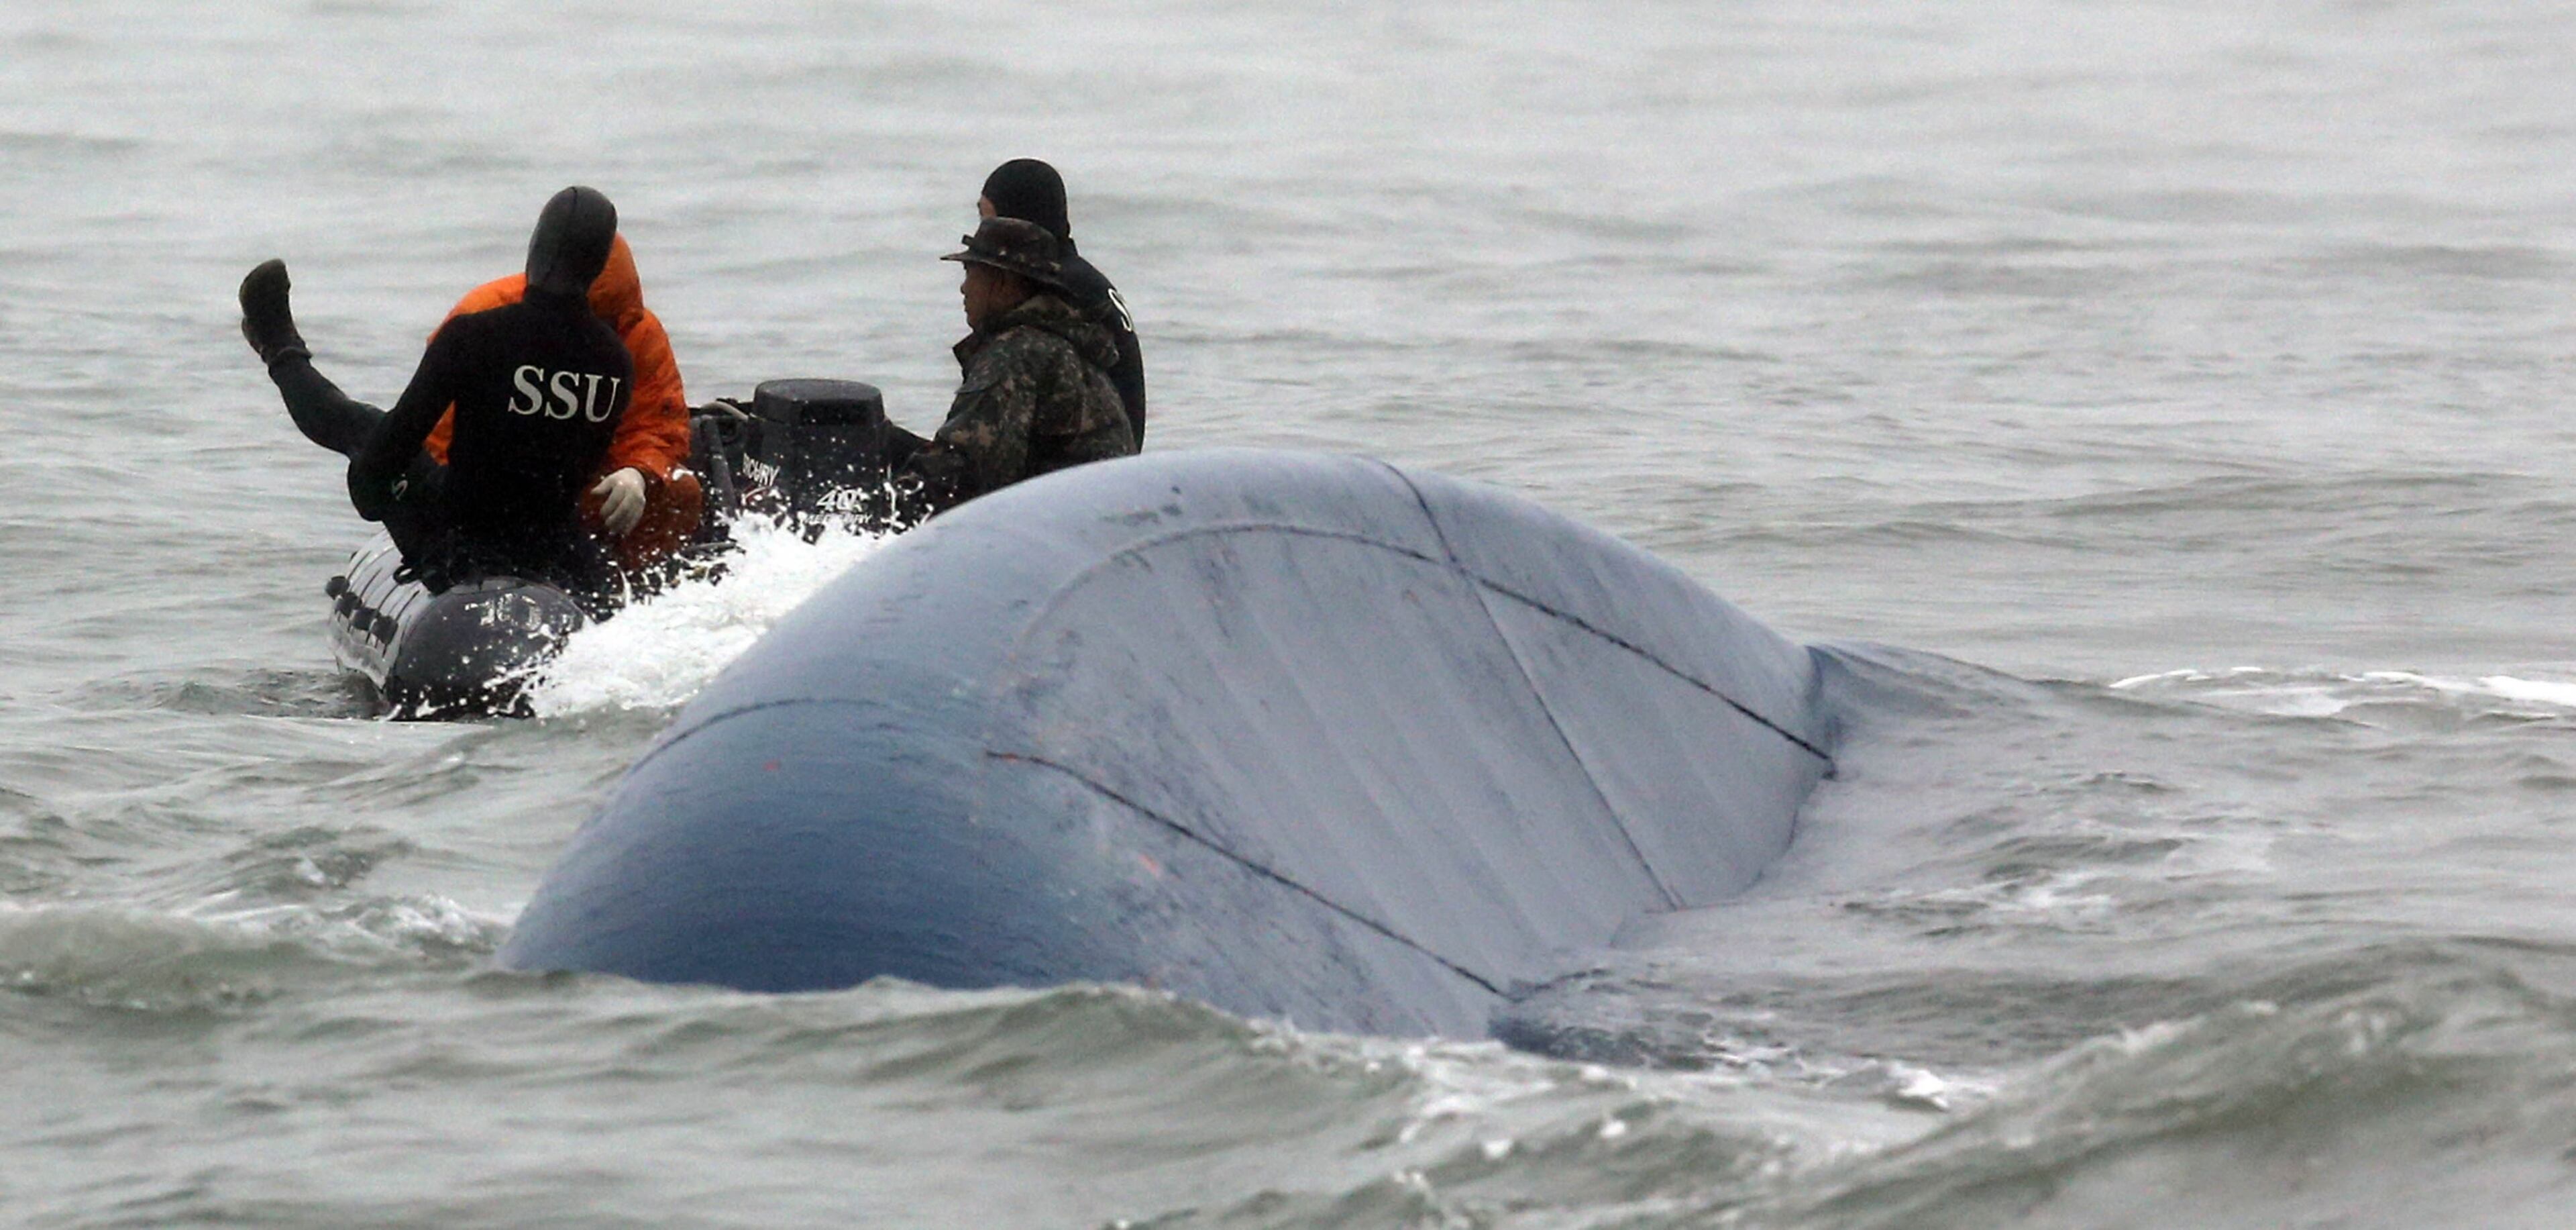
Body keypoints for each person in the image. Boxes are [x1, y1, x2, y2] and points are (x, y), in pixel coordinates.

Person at [239, 187, 637, 592]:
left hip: (462, 547)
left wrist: (372, 494)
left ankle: (278, 346)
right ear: (598, 264)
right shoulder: (617, 363)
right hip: (561, 557)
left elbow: (390, 451)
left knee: (363, 427)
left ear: (536, 249)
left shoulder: (475, 335)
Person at [416, 233, 703, 572]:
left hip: (580, 488)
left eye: (601, 323)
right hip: (484, 486)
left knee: (680, 492)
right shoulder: (482, 317)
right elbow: (437, 435)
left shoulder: (639, 333)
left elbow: (657, 425)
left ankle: (635, 590)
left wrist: (637, 472)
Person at [889, 216, 1135, 521]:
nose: (964, 289)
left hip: (1060, 532)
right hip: (1094, 520)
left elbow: (962, 474)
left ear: (1002, 282)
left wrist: (856, 522)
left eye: (970, 273)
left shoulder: (1018, 353)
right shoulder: (1059, 344)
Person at [976, 158, 1146, 444]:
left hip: (1083, 475)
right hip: (1113, 466)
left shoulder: (1057, 288)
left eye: (986, 220)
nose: (981, 236)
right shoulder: (1082, 278)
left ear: (1016, 220)